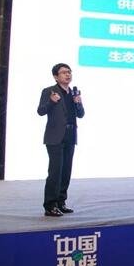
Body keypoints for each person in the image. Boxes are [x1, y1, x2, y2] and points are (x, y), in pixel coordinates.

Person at [37, 63, 85, 217]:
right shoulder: (49, 91)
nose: (68, 74)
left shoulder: (74, 93)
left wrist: (78, 102)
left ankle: (61, 202)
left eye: (69, 72)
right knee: (55, 172)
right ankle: (50, 205)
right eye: (64, 72)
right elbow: (40, 111)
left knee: (66, 171)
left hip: (70, 136)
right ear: (56, 77)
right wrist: (51, 101)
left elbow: (81, 114)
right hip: (55, 137)